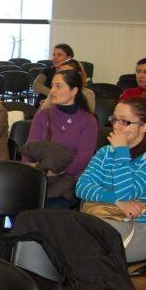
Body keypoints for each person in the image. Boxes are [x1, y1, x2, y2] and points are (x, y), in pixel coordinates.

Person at [76, 96, 146, 262]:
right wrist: (115, 200)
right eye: (115, 119)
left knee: (81, 244)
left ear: (144, 127)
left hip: (141, 230)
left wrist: (121, 152)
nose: (116, 126)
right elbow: (82, 187)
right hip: (100, 221)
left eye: (125, 122)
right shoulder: (106, 152)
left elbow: (127, 193)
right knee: (49, 235)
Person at [23, 70, 98, 208]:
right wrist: (32, 169)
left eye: (58, 86)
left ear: (74, 90)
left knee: (50, 209)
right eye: (52, 86)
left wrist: (56, 170)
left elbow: (83, 159)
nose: (52, 91)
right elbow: (29, 149)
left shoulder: (88, 121)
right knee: (19, 201)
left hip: (69, 179)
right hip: (39, 176)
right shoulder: (43, 116)